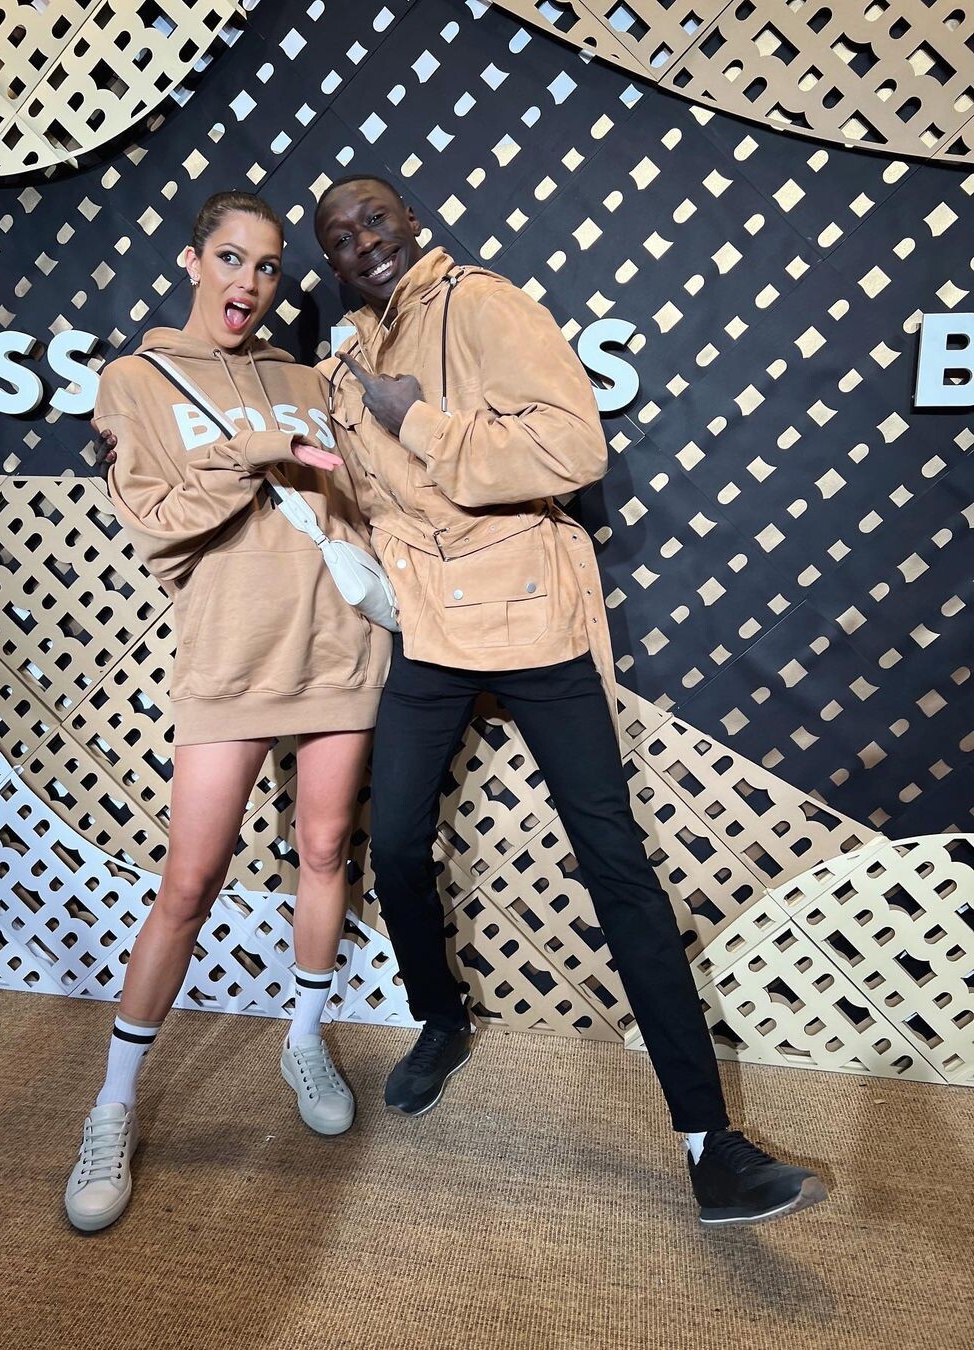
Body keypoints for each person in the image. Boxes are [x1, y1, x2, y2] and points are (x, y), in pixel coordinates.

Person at [312, 174, 827, 1227]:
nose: (362, 242)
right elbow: (363, 498)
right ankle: (441, 1018)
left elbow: (573, 447)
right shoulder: (346, 357)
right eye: (340, 237)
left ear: (412, 222)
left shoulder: (483, 303)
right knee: (395, 844)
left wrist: (423, 423)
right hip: (429, 629)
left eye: (375, 219)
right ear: (332, 263)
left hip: (530, 620)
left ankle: (711, 1145)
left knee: (613, 862)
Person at [66, 190, 392, 1233]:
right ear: (193, 261)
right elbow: (159, 527)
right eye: (230, 258)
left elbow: (354, 501)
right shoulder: (137, 379)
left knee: (326, 850)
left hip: (339, 645)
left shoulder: (304, 378)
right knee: (189, 883)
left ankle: (302, 1038)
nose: (248, 281)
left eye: (266, 265)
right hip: (232, 653)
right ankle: (112, 1107)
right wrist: (249, 456)